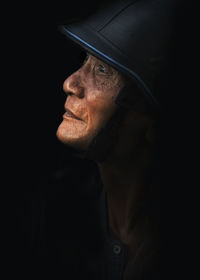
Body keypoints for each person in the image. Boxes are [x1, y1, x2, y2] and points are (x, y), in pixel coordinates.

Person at [24, 1, 176, 279]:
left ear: (150, 116)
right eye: (85, 61)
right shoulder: (48, 213)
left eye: (103, 71)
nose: (71, 83)